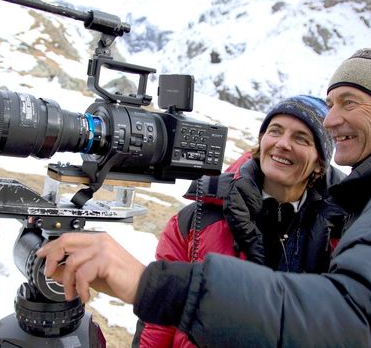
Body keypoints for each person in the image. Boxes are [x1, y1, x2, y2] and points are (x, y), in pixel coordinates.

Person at [38, 47, 371, 346]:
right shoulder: (199, 218)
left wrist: (151, 283)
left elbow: (354, 324)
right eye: (275, 131)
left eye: (348, 103)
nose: (333, 119)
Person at [135, 95, 347, 347]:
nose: (282, 144)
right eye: (275, 131)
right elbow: (160, 319)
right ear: (261, 141)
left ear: (319, 162)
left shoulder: (341, 230)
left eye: (301, 138)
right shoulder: (196, 219)